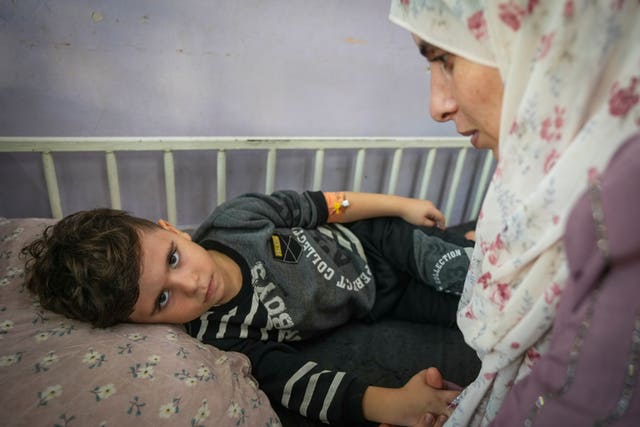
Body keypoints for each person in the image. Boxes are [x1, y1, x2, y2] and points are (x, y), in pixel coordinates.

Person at [388, 0, 640, 426]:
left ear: (551, 36)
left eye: (443, 58)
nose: (437, 106)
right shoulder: (550, 178)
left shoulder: (617, 218)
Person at [22, 190, 476, 426]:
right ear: (142, 324)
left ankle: (473, 250)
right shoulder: (218, 337)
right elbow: (299, 384)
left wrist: (402, 205)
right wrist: (392, 404)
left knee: (462, 269)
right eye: (162, 299)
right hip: (378, 301)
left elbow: (326, 206)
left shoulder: (236, 220)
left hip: (377, 240)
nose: (193, 285)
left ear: (171, 229)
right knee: (475, 317)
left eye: (173, 259)